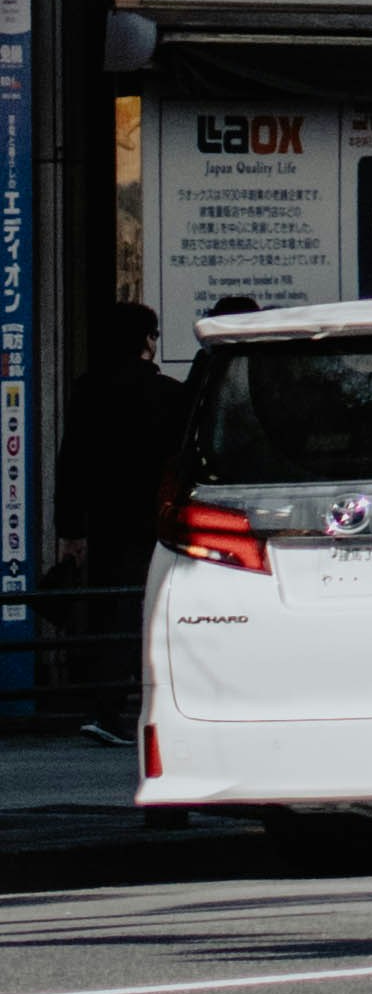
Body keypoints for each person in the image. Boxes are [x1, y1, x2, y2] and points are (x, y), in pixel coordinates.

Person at [59, 295, 179, 742]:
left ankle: (105, 709)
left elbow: (71, 463)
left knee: (112, 611)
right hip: (156, 522)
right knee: (151, 612)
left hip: (105, 521)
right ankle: (148, 708)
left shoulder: (87, 390)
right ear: (146, 341)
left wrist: (70, 529)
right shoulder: (167, 393)